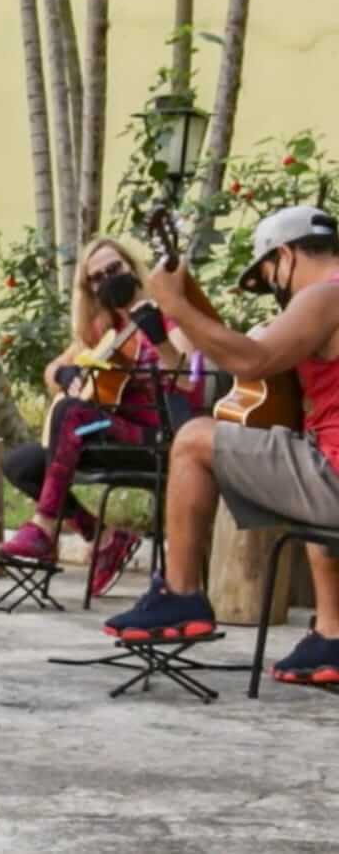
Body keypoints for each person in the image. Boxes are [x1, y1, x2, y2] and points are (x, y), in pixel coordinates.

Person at [107, 206, 339, 686]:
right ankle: (333, 636)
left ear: (287, 255)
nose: (276, 286)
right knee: (306, 448)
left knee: (194, 440)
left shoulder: (324, 297)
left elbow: (252, 361)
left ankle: (181, 593)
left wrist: (174, 306)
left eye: (270, 273)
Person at [0, 236, 200, 594]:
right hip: (116, 432)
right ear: (91, 288)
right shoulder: (105, 332)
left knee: (72, 412)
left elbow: (185, 379)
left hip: (162, 437)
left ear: (131, 268)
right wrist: (65, 374)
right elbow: (52, 370)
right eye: (98, 276)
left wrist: (158, 336)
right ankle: (104, 537)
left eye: (115, 268)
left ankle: (44, 526)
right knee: (21, 463)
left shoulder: (168, 316)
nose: (109, 278)